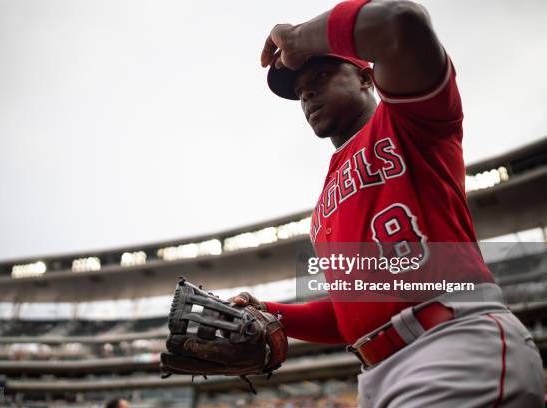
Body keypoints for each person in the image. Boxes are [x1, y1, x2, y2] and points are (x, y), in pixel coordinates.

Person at [233, 1, 544, 406]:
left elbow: (401, 22)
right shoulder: (323, 204)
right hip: (376, 374)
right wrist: (272, 313)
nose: (306, 92)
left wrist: (297, 39)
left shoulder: (412, 121)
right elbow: (356, 308)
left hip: (451, 345)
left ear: (367, 78)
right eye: (299, 90)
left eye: (322, 75)